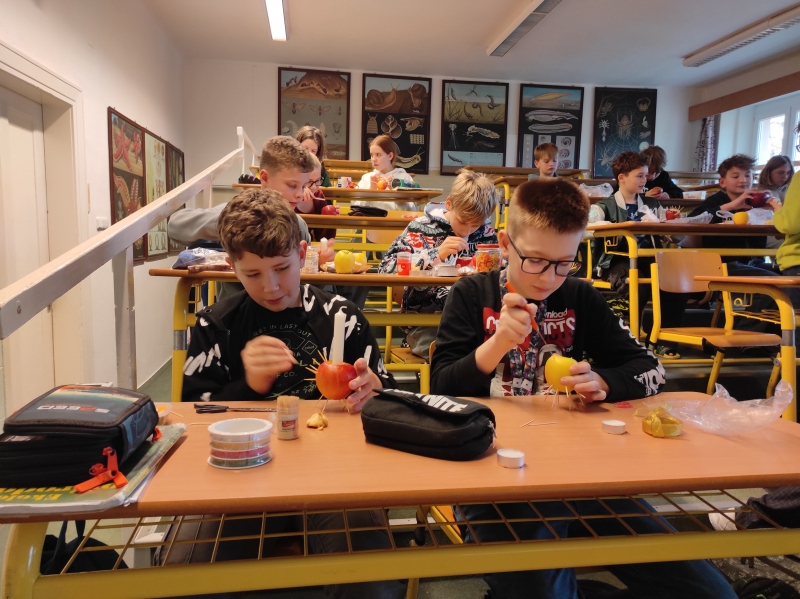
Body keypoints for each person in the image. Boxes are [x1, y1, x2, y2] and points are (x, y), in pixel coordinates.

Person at [430, 178, 735, 599]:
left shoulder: (579, 296)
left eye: (564, 263)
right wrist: (497, 344)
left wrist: (605, 381)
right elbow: (440, 385)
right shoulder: (470, 294)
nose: (549, 278)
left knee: (711, 593)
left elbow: (651, 367)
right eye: (535, 261)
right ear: (504, 244)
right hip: (492, 484)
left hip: (582, 476)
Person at [169, 136, 335, 299]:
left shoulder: (299, 225)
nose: (299, 194)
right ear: (265, 178)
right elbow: (175, 225)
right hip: (237, 313)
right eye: (292, 185)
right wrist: (235, 222)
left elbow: (304, 287)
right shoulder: (235, 212)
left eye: (304, 186)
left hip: (286, 313)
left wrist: (316, 263)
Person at [378, 171, 498, 356]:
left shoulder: (487, 235)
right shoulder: (419, 228)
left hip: (478, 323)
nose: (467, 231)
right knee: (459, 353)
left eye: (475, 225)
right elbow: (385, 269)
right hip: (429, 324)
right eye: (462, 221)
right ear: (449, 203)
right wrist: (434, 255)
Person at [591, 151, 686, 358]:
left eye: (645, 175)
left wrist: (675, 223)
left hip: (648, 259)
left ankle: (662, 341)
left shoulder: (652, 204)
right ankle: (628, 341)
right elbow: (587, 229)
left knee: (675, 285)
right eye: (639, 176)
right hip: (616, 262)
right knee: (636, 284)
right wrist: (609, 225)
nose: (645, 180)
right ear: (622, 178)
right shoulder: (604, 206)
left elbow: (674, 237)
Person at [688, 154, 779, 331]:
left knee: (790, 276)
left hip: (753, 262)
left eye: (748, 175)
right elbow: (692, 219)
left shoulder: (757, 202)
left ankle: (777, 334)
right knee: (772, 282)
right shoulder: (716, 201)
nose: (743, 180)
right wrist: (733, 205)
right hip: (722, 263)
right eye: (736, 176)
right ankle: (746, 334)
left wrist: (773, 210)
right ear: (722, 182)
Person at [355, 134, 416, 211]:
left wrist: (396, 195)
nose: (373, 159)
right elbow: (356, 208)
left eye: (378, 155)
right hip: (371, 218)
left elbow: (412, 210)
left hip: (395, 218)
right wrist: (371, 192)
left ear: (390, 156)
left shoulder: (404, 178)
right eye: (372, 155)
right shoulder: (367, 178)